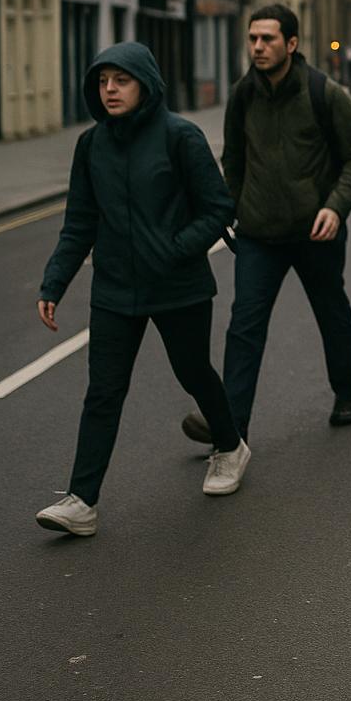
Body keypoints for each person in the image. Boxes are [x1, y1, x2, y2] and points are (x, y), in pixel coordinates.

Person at [35, 43, 248, 536]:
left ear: (146, 84)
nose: (109, 89)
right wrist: (54, 281)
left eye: (121, 80)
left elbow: (218, 208)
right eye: (103, 81)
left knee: (193, 371)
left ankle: (230, 446)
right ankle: (82, 501)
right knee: (103, 392)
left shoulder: (181, 137)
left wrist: (177, 249)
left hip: (179, 286)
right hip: (114, 289)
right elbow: (80, 222)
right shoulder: (91, 145)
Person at [181, 4, 351, 448]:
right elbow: (233, 161)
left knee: (332, 314)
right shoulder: (243, 95)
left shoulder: (323, 93)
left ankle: (346, 392)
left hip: (316, 233)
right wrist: (226, 209)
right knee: (244, 327)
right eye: (252, 39)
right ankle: (232, 429)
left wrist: (336, 206)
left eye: (267, 39)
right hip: (259, 235)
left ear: (291, 44)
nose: (258, 47)